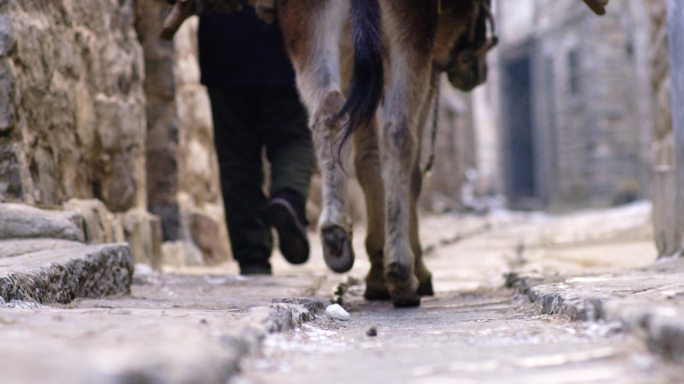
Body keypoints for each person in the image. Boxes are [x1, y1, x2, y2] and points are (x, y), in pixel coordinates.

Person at [198, 3, 315, 275]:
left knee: (236, 157)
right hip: (284, 43)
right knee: (294, 137)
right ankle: (288, 196)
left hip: (223, 45)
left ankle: (252, 256)